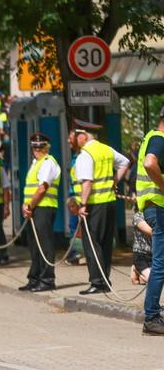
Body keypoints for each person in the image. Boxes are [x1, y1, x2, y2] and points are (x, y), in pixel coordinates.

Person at [71, 120, 131, 295]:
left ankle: (97, 282)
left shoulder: (85, 154)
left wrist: (82, 204)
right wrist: (114, 181)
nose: (74, 140)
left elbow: (87, 182)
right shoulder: (105, 149)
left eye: (75, 136)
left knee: (92, 243)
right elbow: (125, 162)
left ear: (83, 136)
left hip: (94, 204)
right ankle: (104, 280)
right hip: (109, 203)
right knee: (104, 244)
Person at [19, 132, 60, 292]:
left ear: (46, 147)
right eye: (35, 147)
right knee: (34, 246)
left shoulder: (48, 162)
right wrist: (26, 205)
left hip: (44, 207)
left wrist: (29, 206)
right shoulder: (36, 162)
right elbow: (30, 188)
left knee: (45, 245)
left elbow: (42, 188)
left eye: (40, 146)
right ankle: (34, 278)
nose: (37, 149)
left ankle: (47, 279)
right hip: (34, 208)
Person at [136, 108, 164, 334]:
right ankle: (152, 317)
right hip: (159, 208)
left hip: (153, 208)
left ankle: (153, 314)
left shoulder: (150, 136)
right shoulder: (159, 139)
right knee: (160, 264)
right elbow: (149, 163)